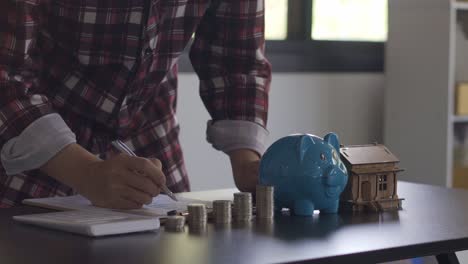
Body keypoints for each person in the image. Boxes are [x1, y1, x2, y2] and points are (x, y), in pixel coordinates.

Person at [0, 0, 271, 209]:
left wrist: (248, 164)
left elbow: (237, 60)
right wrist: (86, 172)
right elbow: (5, 78)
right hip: (29, 135)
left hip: (147, 127)